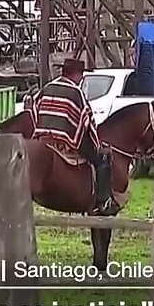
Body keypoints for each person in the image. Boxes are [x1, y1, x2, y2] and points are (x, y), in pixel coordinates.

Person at [31, 57, 114, 214]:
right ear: (77, 75)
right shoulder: (76, 92)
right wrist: (96, 143)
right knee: (102, 160)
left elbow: (34, 109)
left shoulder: (48, 87)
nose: (81, 79)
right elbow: (86, 119)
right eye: (81, 75)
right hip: (65, 142)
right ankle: (102, 202)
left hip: (42, 139)